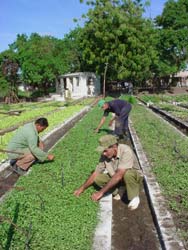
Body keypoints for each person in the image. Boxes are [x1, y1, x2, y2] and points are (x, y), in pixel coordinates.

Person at [74, 135, 143, 210]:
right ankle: (114, 190)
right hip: (116, 176)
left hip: (133, 176)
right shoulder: (105, 155)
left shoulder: (126, 151)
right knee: (97, 178)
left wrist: (101, 192)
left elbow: (119, 174)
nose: (103, 154)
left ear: (114, 147)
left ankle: (134, 195)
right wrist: (82, 188)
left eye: (105, 150)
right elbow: (95, 173)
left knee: (127, 174)